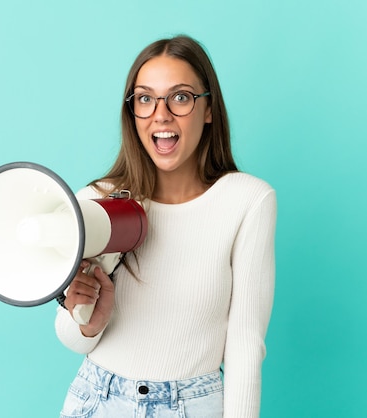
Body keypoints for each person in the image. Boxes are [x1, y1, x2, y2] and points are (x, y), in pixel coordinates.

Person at [55, 35, 277, 418]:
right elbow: (72, 337)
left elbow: (244, 343)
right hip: (97, 399)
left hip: (192, 405)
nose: (161, 115)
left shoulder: (248, 201)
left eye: (180, 97)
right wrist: (88, 315)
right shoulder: (98, 202)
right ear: (132, 112)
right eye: (145, 98)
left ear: (208, 109)